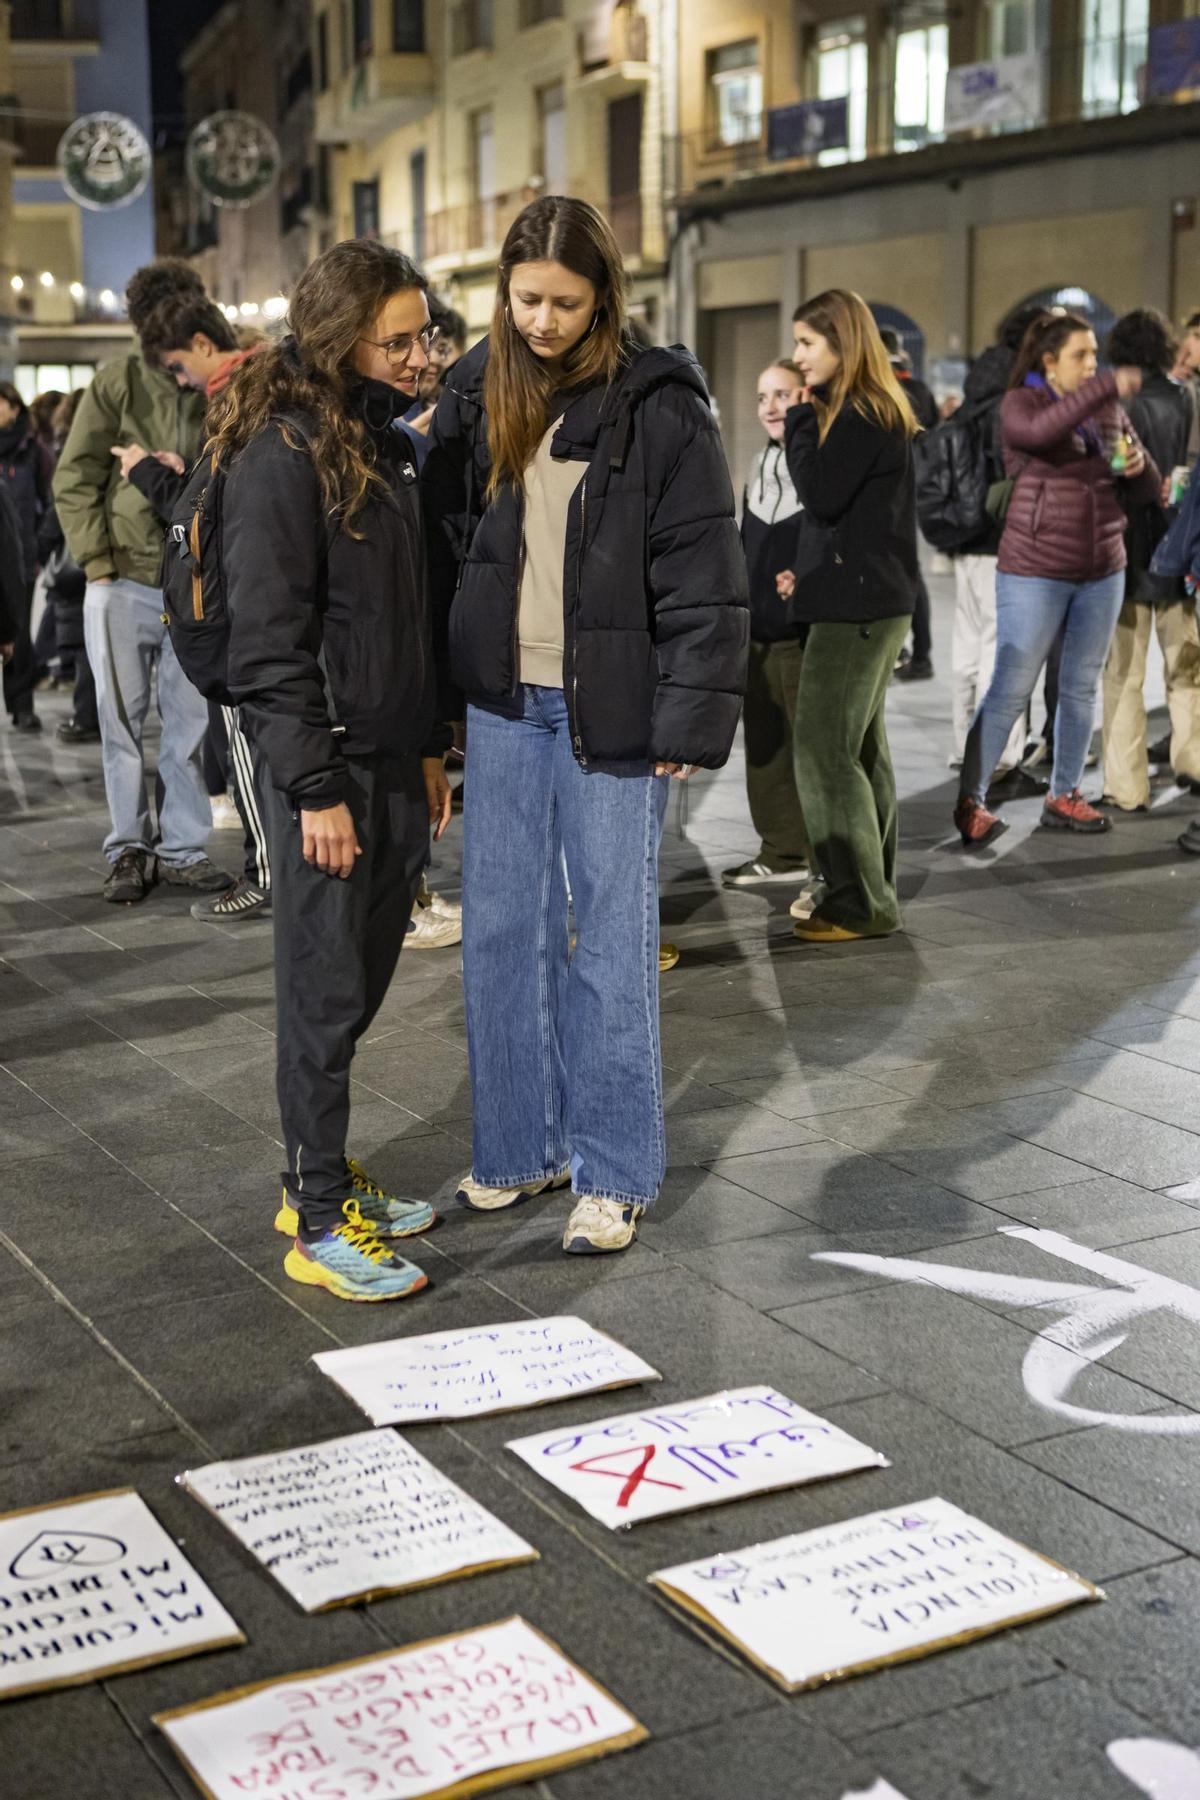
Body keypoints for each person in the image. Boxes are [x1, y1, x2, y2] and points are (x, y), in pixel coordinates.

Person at [425, 194, 747, 1254]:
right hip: (504, 706)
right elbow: (445, 552)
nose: (542, 322)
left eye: (564, 302)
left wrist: (689, 721)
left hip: (612, 709)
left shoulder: (660, 404)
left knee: (610, 942)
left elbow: (706, 574)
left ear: (605, 296)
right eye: (525, 300)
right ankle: (520, 1150)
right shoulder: (476, 390)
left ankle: (612, 1172)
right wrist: (440, 705)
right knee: (499, 938)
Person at [211, 237, 451, 1303]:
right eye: (396, 338)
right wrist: (311, 788)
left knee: (361, 980)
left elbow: (411, 617)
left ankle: (319, 1169)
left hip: (395, 755)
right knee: (323, 990)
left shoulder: (384, 445)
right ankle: (313, 1216)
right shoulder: (281, 453)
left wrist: (433, 747)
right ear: (340, 334)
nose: (416, 354)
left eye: (420, 335)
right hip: (328, 773)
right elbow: (267, 645)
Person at [52, 259, 231, 905]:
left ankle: (181, 848)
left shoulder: (217, 383)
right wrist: (97, 563)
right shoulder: (116, 382)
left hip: (192, 585)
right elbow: (74, 478)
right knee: (120, 725)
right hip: (121, 579)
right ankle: (128, 845)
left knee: (186, 726)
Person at [955, 311, 1160, 845]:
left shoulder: (1107, 406)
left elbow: (1149, 489)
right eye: (1081, 356)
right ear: (1049, 362)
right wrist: (1106, 386)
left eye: (1096, 355)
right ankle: (971, 799)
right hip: (1035, 570)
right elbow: (1042, 431)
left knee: (1079, 686)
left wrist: (1140, 468)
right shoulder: (1021, 402)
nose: (1094, 366)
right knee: (1011, 685)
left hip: (1102, 569)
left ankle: (1064, 793)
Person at [117, 291, 272, 921]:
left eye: (182, 367)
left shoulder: (243, 393)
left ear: (205, 347)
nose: (183, 382)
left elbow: (215, 509)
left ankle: (263, 869)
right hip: (263, 597)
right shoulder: (271, 378)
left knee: (242, 742)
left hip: (241, 607)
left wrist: (150, 477)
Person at [784, 289, 920, 944]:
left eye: (808, 343)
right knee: (862, 750)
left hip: (856, 607)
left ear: (843, 343)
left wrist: (799, 427)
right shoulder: (874, 407)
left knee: (824, 751)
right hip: (873, 601)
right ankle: (875, 887)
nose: (798, 356)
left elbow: (821, 495)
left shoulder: (861, 413)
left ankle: (858, 901)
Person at [1100, 308, 1200, 812]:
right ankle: (1192, 761)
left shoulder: (1121, 401)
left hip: (1130, 548)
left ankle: (1127, 786)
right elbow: (1181, 466)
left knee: (1125, 674)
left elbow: (1119, 470)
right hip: (1176, 540)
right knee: (1186, 669)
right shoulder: (1183, 395)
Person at [722, 357, 811, 889]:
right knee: (767, 744)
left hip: (804, 634)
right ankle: (781, 851)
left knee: (813, 750)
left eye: (782, 394)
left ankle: (826, 856)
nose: (770, 407)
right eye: (762, 397)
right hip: (759, 632)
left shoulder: (816, 461)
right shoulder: (759, 464)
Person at [949, 305, 1047, 781]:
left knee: (967, 648)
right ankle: (1000, 756)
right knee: (1002, 649)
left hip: (965, 535)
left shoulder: (977, 383)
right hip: (1002, 538)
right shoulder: (1016, 394)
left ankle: (961, 745)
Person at [878, 327, 937, 684]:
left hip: (891, 494)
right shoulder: (920, 390)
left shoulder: (885, 391)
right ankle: (918, 653)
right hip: (915, 493)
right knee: (910, 571)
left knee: (900, 572)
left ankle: (903, 652)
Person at [0, 381, 53, 730]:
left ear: (14, 408)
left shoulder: (33, 449)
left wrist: (39, 544)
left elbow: (51, 501)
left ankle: (22, 704)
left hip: (21, 557)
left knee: (16, 631)